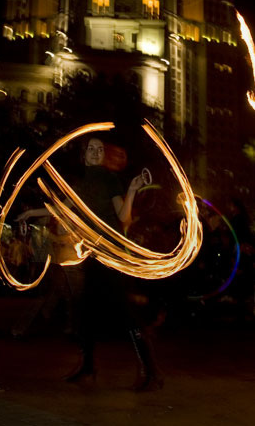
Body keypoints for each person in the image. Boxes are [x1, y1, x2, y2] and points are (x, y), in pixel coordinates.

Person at [16, 136, 163, 390]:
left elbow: (123, 217)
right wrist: (31, 212)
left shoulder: (109, 179)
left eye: (100, 149)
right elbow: (62, 209)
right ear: (83, 154)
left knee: (122, 311)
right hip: (94, 253)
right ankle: (88, 366)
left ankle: (149, 370)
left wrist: (130, 190)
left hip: (111, 254)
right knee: (85, 310)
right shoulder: (81, 185)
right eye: (91, 149)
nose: (96, 152)